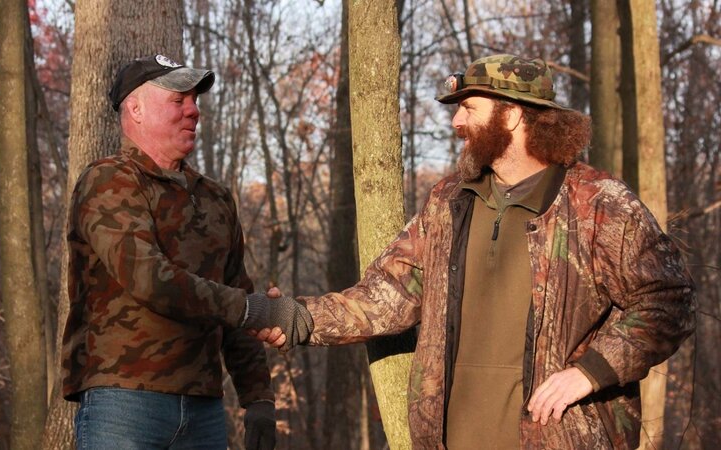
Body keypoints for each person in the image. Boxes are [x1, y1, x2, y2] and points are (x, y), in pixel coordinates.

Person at [242, 54, 696, 449]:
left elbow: (668, 298)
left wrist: (591, 371)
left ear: (514, 115)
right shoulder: (449, 201)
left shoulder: (596, 202)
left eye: (469, 108)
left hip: (561, 437)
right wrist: (297, 318)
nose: (457, 123)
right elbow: (388, 294)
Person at [62, 54, 276, 450]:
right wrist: (252, 309)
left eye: (195, 100)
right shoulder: (109, 180)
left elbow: (238, 296)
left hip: (204, 409)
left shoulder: (216, 198)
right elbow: (150, 280)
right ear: (136, 109)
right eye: (178, 100)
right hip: (123, 402)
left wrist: (258, 398)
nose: (193, 111)